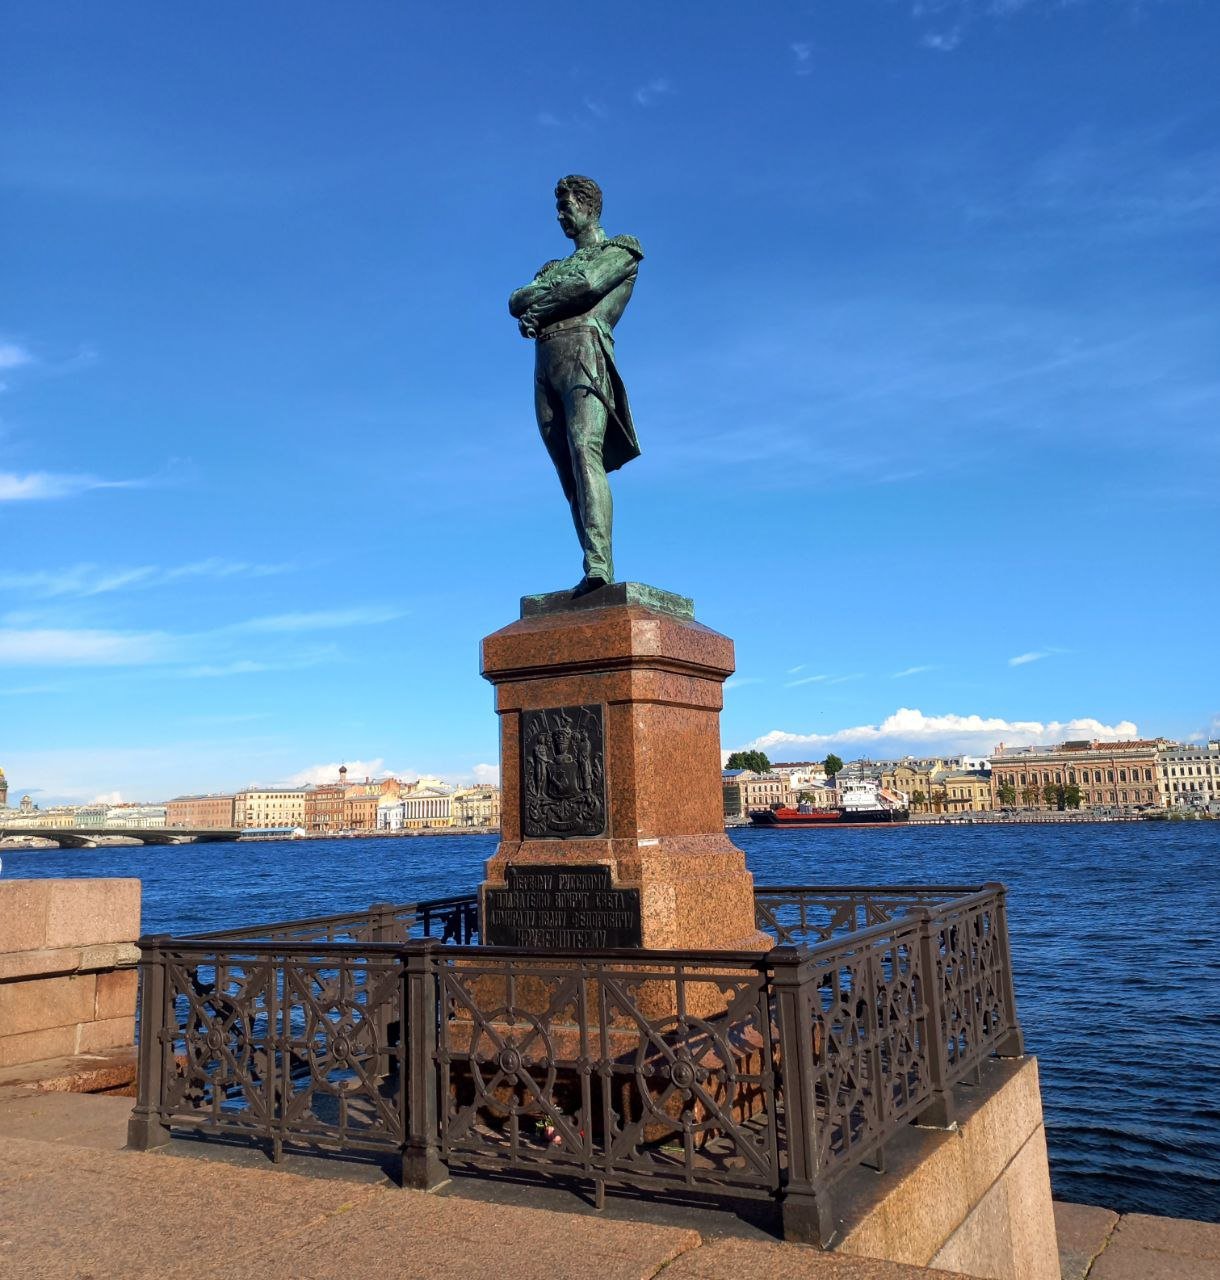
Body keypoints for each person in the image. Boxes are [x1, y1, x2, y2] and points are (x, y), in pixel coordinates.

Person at [508, 175, 643, 596]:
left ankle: (600, 564)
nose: (561, 215)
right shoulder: (552, 267)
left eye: (566, 206)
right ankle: (590, 567)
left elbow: (588, 287)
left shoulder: (621, 249)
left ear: (588, 206)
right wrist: (548, 295)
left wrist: (541, 304)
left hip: (586, 352)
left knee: (586, 450)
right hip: (546, 363)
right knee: (568, 472)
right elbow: (515, 302)